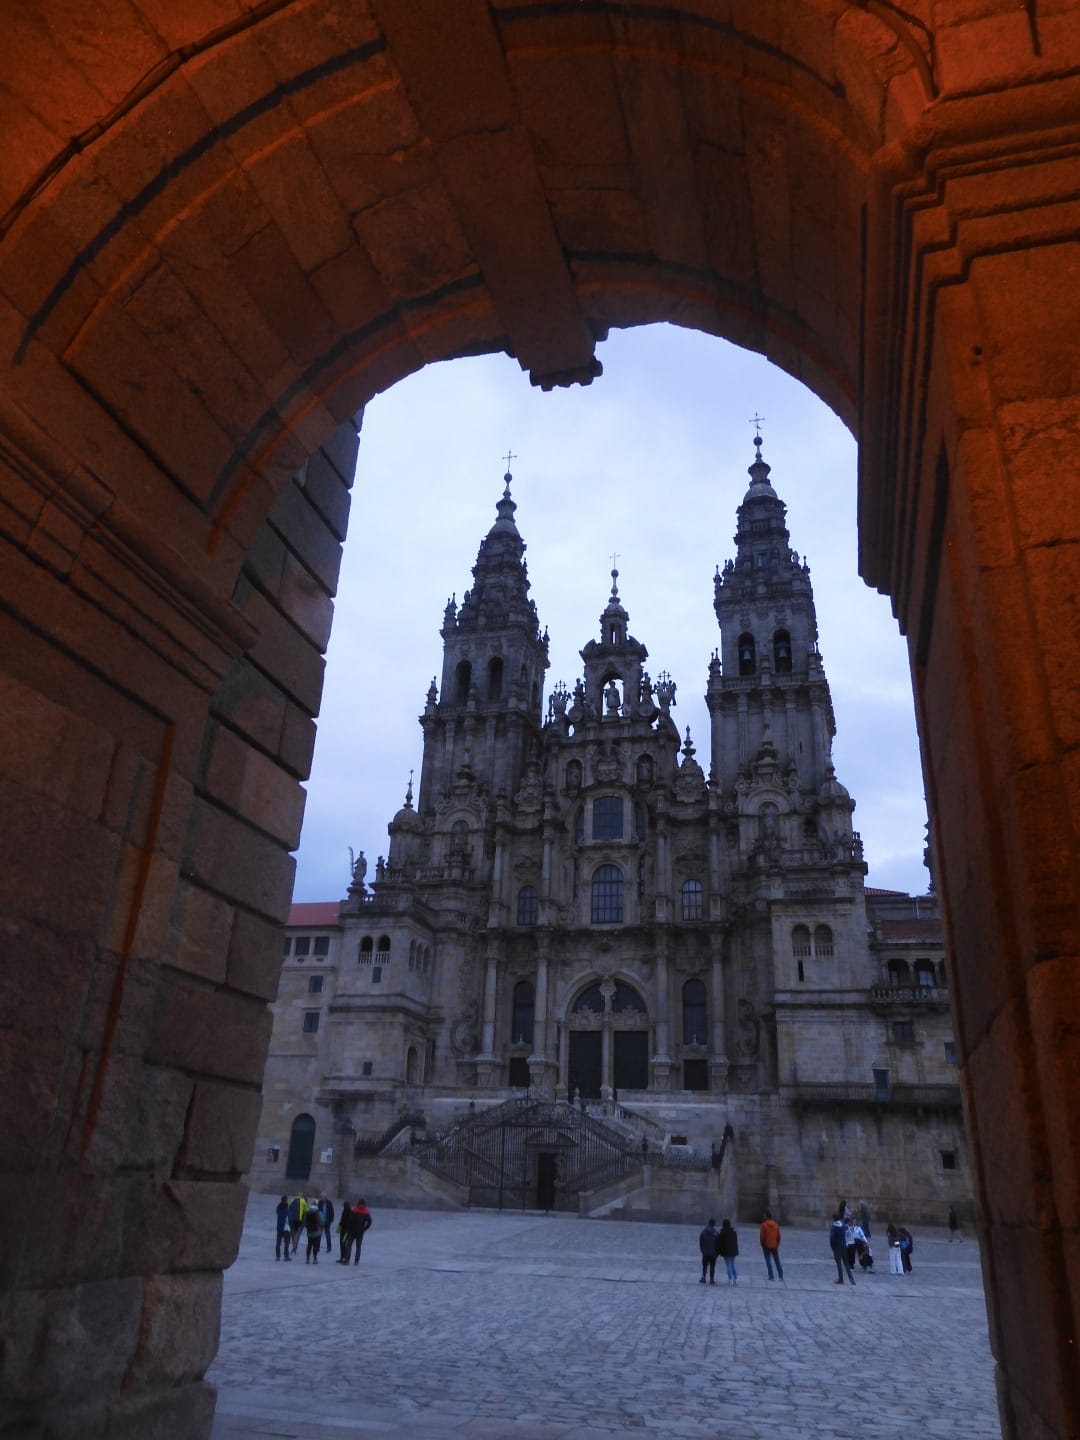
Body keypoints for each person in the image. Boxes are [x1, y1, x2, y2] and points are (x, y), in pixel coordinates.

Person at [830, 1210, 855, 1285]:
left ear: (833, 1219)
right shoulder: (843, 1226)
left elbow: (831, 1239)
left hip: (837, 1248)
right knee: (846, 1263)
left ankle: (841, 1279)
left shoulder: (834, 1228)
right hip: (844, 1247)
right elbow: (847, 1230)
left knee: (839, 1263)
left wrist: (833, 1247)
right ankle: (851, 1278)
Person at [346, 1197, 373, 1265]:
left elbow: (349, 1221)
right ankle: (356, 1261)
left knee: (349, 1245)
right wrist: (365, 1228)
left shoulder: (354, 1210)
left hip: (352, 1231)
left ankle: (347, 1260)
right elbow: (369, 1222)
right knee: (358, 1247)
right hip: (360, 1232)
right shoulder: (366, 1212)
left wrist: (348, 1229)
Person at [759, 1211, 784, 1281]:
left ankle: (771, 1276)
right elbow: (779, 1237)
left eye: (764, 1215)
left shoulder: (764, 1225)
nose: (763, 1216)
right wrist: (777, 1244)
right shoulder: (776, 1225)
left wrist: (762, 1244)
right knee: (777, 1261)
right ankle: (781, 1276)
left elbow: (762, 1237)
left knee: (768, 1261)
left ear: (767, 1216)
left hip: (766, 1245)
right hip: (774, 1246)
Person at [698, 1218, 721, 1285]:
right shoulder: (716, 1233)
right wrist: (717, 1253)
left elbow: (701, 1242)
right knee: (712, 1266)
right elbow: (719, 1244)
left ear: (708, 1223)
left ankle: (703, 1278)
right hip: (713, 1253)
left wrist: (703, 1250)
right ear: (714, 1224)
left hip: (705, 1253)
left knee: (704, 1266)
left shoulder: (703, 1232)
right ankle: (711, 1279)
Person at [718, 1218, 739, 1287]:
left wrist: (720, 1251)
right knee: (732, 1264)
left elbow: (720, 1242)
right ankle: (735, 1279)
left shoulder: (723, 1231)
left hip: (726, 1251)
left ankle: (730, 1279)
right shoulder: (733, 1230)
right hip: (734, 1250)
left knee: (728, 1265)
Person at [275, 1195, 292, 1262]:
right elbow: (288, 1217)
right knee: (286, 1243)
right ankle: (286, 1256)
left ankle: (278, 1256)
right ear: (286, 1200)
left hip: (279, 1227)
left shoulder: (279, 1207)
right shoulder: (286, 1207)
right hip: (286, 1228)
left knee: (278, 1243)